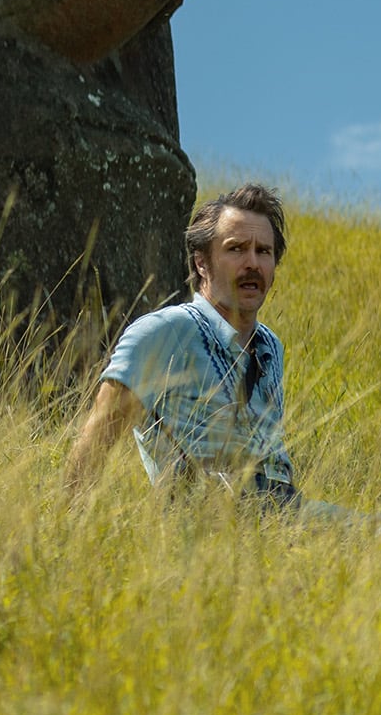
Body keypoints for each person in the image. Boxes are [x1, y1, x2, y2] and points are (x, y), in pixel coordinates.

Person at [66, 184, 295, 504]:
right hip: (208, 529)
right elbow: (94, 446)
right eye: (236, 248)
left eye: (263, 252)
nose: (252, 263)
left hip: (285, 519)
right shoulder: (163, 333)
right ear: (202, 263)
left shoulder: (271, 347)